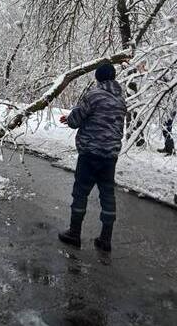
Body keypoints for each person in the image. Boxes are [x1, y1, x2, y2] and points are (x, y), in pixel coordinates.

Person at [58, 63, 127, 252]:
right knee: (107, 195)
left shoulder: (93, 95)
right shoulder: (121, 99)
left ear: (98, 78)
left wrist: (69, 118)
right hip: (110, 156)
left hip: (90, 153)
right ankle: (105, 239)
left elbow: (75, 121)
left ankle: (74, 233)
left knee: (80, 193)